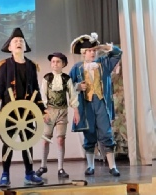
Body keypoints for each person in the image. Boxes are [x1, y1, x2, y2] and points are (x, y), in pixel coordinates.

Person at [0, 27, 48, 188]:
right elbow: (0, 86)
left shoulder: (31, 66)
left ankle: (29, 174)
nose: (19, 43)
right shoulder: (5, 65)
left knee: (27, 142)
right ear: (10, 47)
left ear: (25, 46)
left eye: (21, 41)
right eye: (15, 41)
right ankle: (5, 174)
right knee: (8, 143)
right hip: (9, 111)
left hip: (27, 111)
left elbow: (35, 89)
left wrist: (42, 110)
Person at [69, 33, 122, 176]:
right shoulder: (77, 68)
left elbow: (118, 53)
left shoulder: (104, 63)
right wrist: (77, 86)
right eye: (89, 51)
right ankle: (90, 166)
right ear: (83, 53)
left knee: (106, 133)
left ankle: (112, 166)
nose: (92, 53)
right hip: (86, 105)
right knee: (89, 134)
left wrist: (105, 47)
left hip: (101, 103)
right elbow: (67, 85)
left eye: (94, 50)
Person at [36, 52, 79, 179]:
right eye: (53, 62)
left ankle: (60, 168)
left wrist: (76, 111)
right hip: (49, 112)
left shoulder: (67, 79)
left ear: (63, 64)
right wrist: (43, 112)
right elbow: (43, 95)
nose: (55, 64)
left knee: (60, 140)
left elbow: (72, 96)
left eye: (58, 62)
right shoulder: (47, 78)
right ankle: (43, 165)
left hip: (62, 112)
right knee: (45, 139)